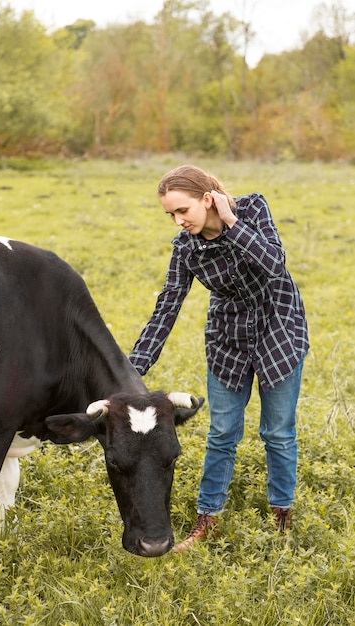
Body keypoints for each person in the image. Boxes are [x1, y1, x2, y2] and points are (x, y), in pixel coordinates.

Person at [129, 164, 309, 552]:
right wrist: (132, 369)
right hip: (228, 338)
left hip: (279, 327)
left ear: (207, 199)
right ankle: (208, 520)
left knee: (277, 433)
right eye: (171, 215)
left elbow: (274, 265)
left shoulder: (252, 209)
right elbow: (167, 308)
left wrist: (231, 221)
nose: (178, 221)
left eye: (183, 211)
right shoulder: (186, 248)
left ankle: (281, 518)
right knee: (222, 433)